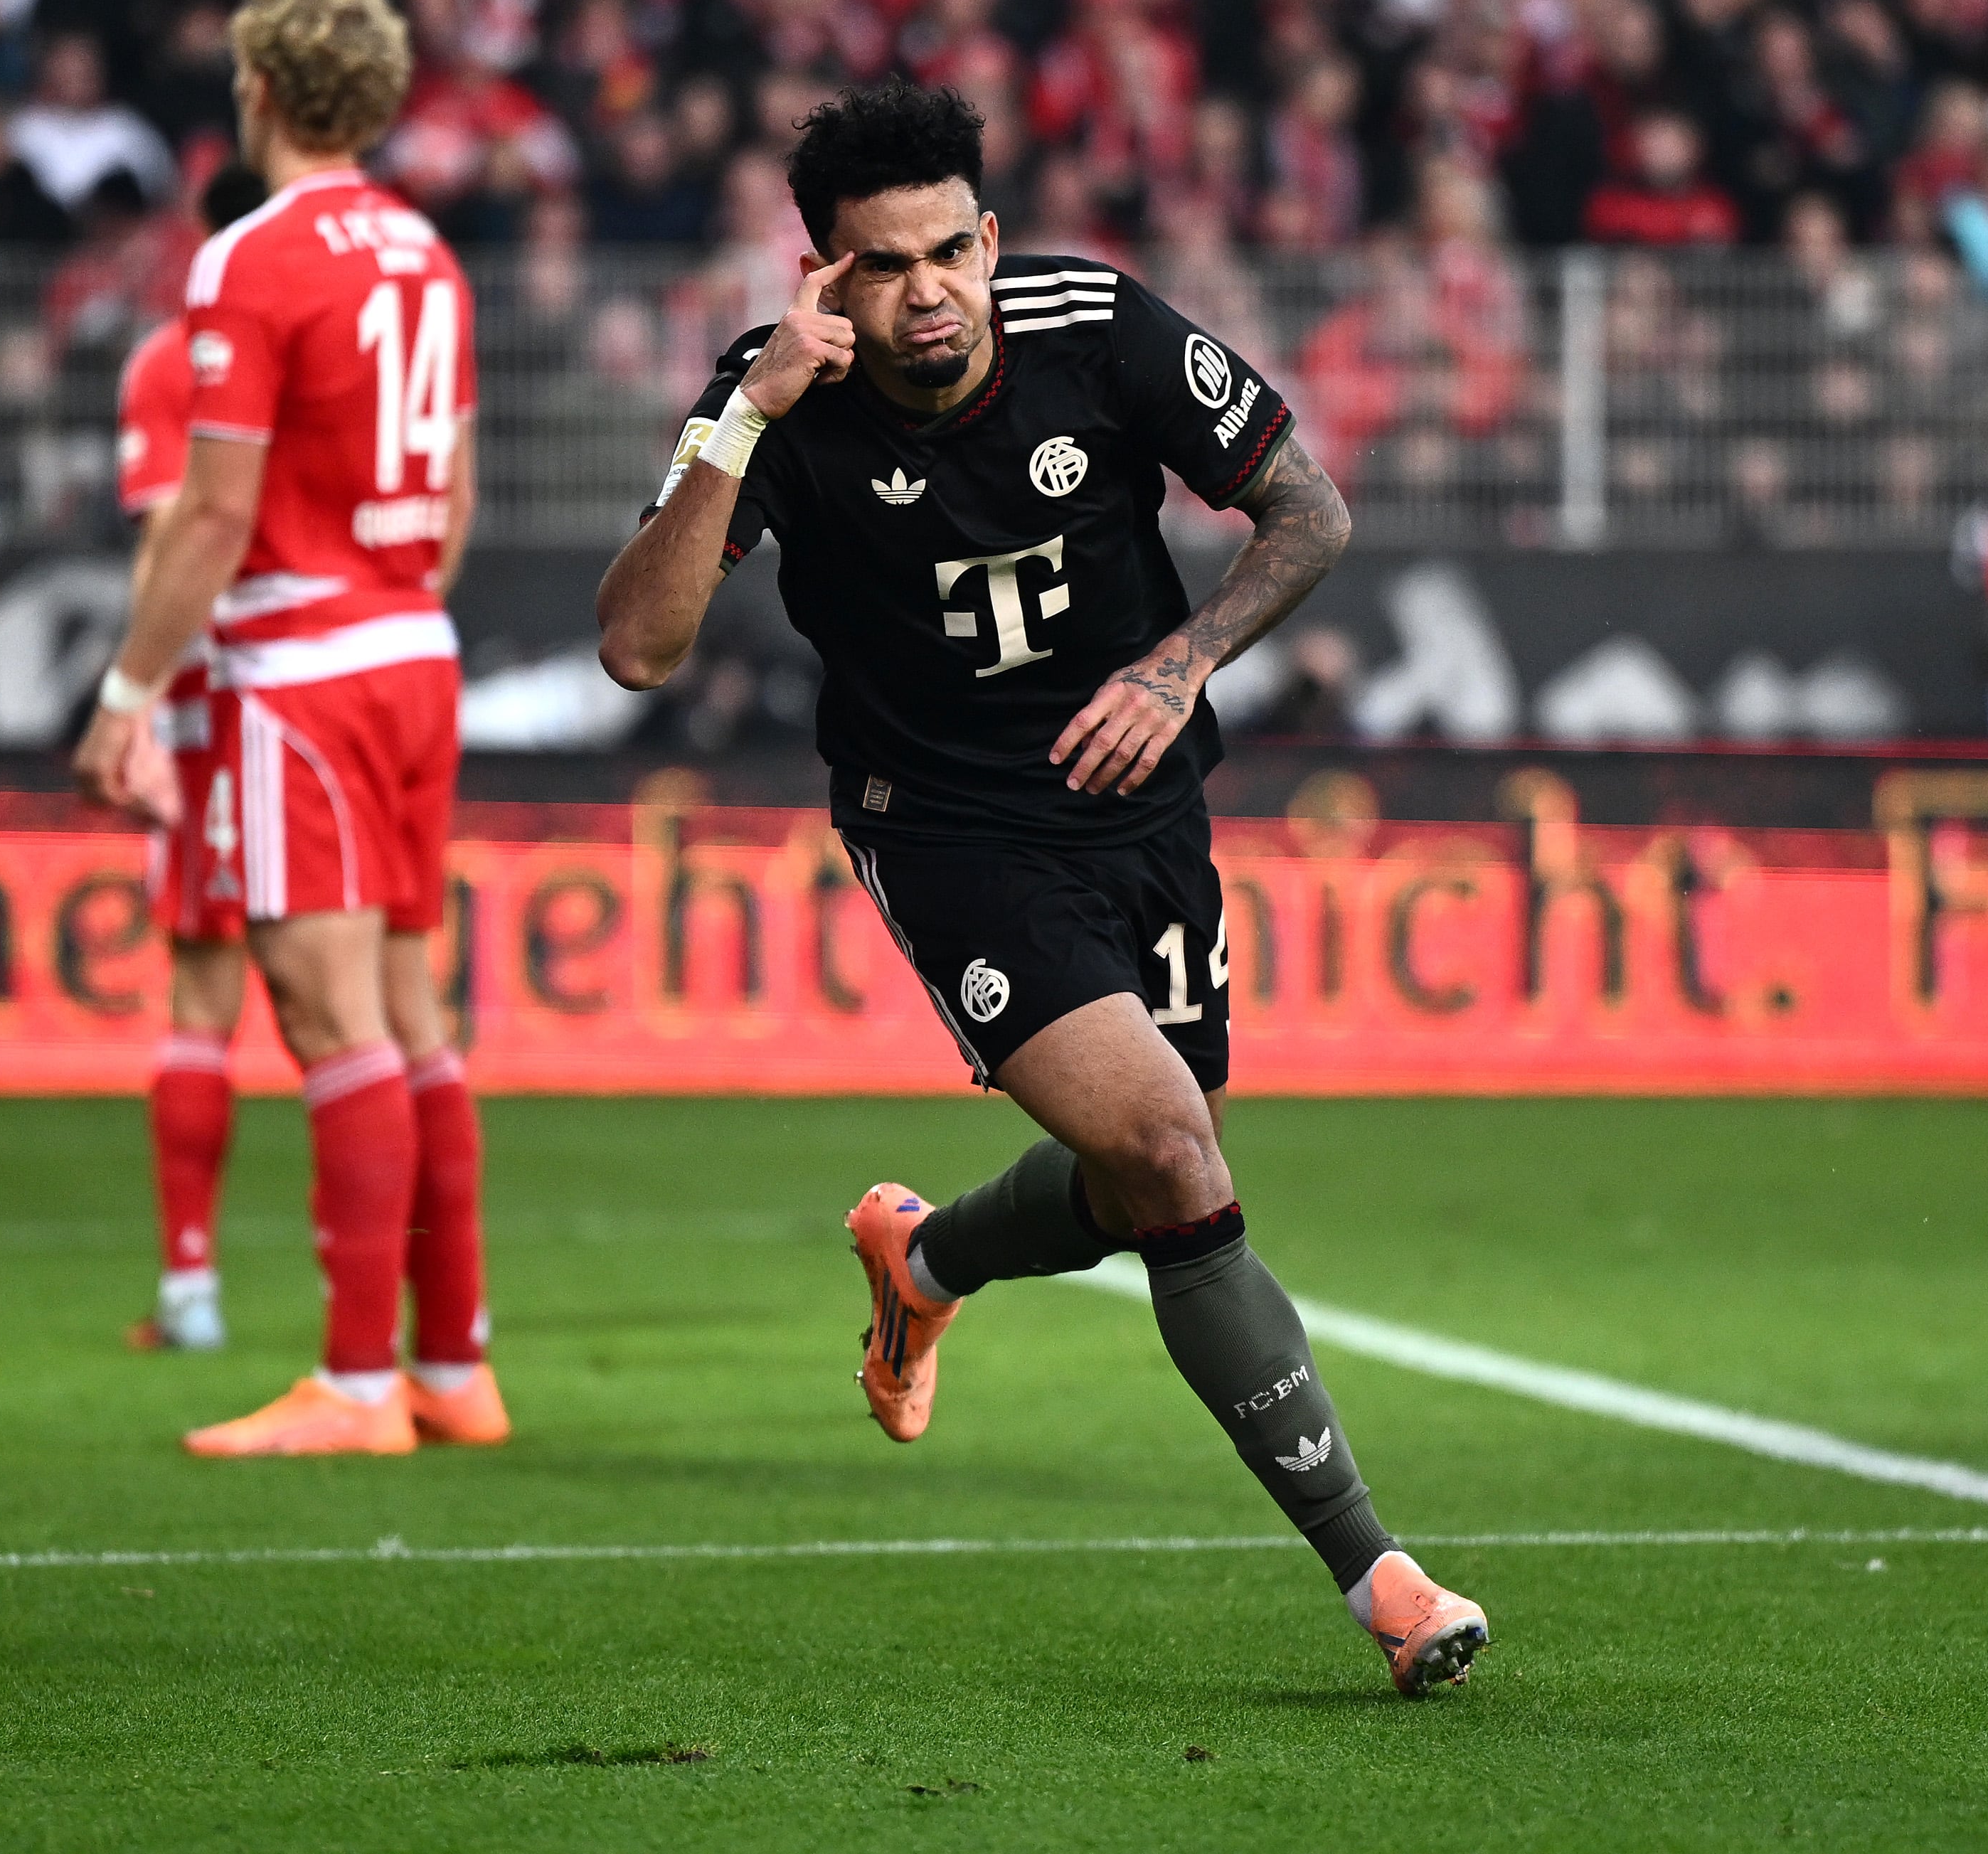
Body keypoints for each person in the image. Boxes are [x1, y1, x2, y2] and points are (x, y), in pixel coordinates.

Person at [594, 82, 1490, 1697]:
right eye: (881, 265)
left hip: (1140, 800)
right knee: (1166, 1147)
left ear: (990, 239)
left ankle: (922, 1261)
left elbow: (1310, 510)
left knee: (1156, 1162)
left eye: (951, 249)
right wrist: (747, 418)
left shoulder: (1100, 329)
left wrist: (1182, 657)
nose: (926, 289)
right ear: (825, 282)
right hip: (944, 826)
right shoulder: (771, 401)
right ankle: (1382, 1577)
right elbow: (637, 646)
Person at [73, 0, 503, 1458]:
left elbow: (208, 516)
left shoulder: (248, 259)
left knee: (327, 1021)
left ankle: (358, 1385)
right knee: (410, 1009)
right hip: (414, 651)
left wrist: (129, 695)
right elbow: (451, 495)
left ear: (257, 87)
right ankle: (454, 1365)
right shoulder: (427, 256)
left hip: (299, 673)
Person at [113, 158, 271, 1355]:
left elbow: (175, 533)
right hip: (363, 675)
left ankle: (189, 1285)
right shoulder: (365, 327)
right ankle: (435, 1324)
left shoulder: (180, 359)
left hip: (232, 698)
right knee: (385, 1007)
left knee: (204, 1000)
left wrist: (142, 703)